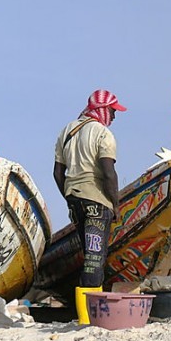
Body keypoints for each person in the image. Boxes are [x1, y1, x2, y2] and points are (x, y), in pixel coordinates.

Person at [53, 89, 126, 324]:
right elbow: (108, 173)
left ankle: (88, 315)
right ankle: (89, 319)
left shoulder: (67, 131)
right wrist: (115, 205)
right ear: (102, 110)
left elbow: (58, 172)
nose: (113, 116)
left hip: (75, 200)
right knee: (95, 259)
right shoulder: (103, 134)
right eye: (112, 111)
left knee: (89, 255)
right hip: (96, 202)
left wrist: (69, 196)